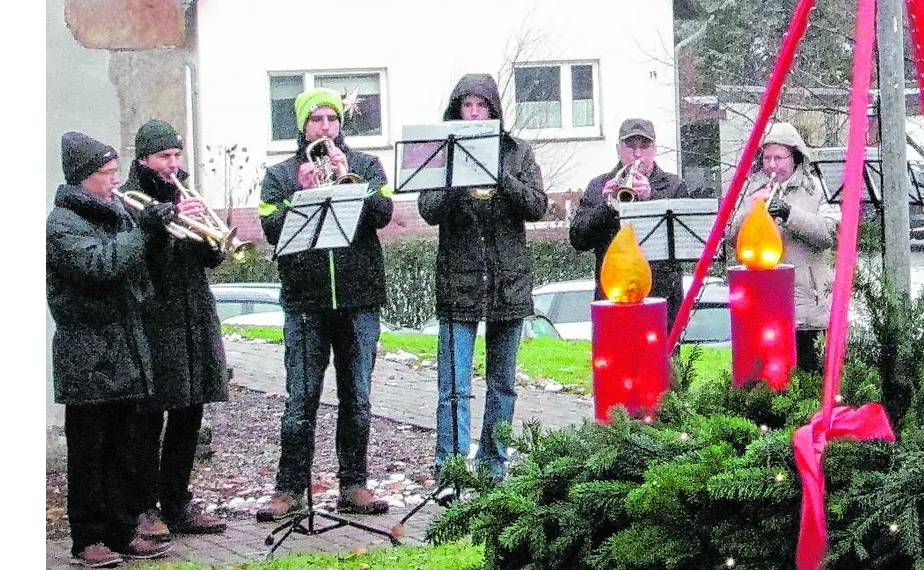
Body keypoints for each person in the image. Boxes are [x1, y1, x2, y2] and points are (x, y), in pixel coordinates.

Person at [255, 89, 395, 519]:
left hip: (359, 299)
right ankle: (289, 489)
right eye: (315, 120)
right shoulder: (279, 175)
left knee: (357, 397)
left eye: (331, 119)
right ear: (302, 126)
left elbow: (382, 213)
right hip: (305, 302)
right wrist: (301, 194)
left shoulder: (367, 166)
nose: (325, 127)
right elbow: (272, 229)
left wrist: (348, 175)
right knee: (301, 398)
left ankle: (354, 484)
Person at [48, 131, 173, 567]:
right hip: (88, 352)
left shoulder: (118, 212)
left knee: (125, 448)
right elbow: (99, 266)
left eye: (116, 170)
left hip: (126, 345)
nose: (116, 180)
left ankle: (121, 531)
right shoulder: (62, 224)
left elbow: (139, 271)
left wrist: (161, 234)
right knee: (90, 451)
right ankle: (88, 539)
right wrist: (144, 231)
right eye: (106, 173)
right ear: (83, 178)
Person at [418, 74, 548, 480]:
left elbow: (538, 206)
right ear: (457, 110)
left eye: (481, 106)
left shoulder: (517, 152)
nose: (474, 113)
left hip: (508, 285)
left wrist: (499, 176)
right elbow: (428, 208)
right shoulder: (442, 151)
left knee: (503, 387)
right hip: (459, 287)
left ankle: (493, 467)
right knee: (454, 389)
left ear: (493, 111)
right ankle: (451, 470)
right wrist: (460, 177)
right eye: (466, 106)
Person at [120, 120, 230, 538]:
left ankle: (178, 501)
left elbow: (211, 261)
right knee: (150, 420)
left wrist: (211, 237)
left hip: (194, 313)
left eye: (176, 155)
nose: (172, 164)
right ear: (144, 158)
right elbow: (142, 263)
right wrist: (162, 225)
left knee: (190, 413)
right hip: (156, 317)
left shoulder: (187, 191)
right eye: (164, 156)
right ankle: (144, 507)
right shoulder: (131, 201)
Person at [728, 122, 838, 372]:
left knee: (809, 376)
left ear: (795, 156)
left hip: (808, 306)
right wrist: (749, 209)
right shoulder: (752, 189)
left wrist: (789, 213)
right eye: (767, 158)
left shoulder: (817, 188)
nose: (772, 165)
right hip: (764, 303)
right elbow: (732, 240)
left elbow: (828, 235)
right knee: (766, 376)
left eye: (779, 158)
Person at [570, 118, 691, 321]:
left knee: (664, 354)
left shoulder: (673, 185)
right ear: (618, 148)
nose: (637, 154)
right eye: (630, 146)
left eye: (644, 146)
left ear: (655, 149)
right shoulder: (599, 185)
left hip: (661, 295)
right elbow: (578, 239)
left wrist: (651, 199)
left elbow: (686, 243)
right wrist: (606, 205)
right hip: (613, 295)